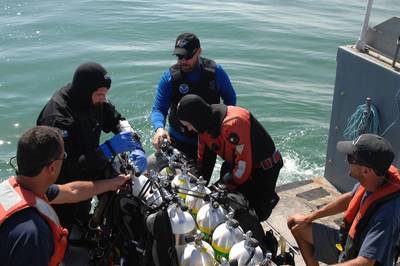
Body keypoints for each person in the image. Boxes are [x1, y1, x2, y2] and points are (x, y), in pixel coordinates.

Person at [36, 61, 147, 230]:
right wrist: (108, 149)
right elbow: (67, 169)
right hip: (61, 188)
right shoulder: (57, 118)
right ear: (85, 91)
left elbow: (118, 120)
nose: (104, 99)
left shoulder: (94, 100)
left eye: (105, 94)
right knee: (63, 229)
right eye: (100, 94)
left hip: (88, 168)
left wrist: (135, 144)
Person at [0, 126, 131, 266]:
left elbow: (72, 190)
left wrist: (113, 183)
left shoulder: (17, 189)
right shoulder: (33, 234)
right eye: (63, 157)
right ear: (52, 168)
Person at [287, 134, 400, 266]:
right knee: (298, 227)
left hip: (360, 259)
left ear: (365, 171)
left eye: (350, 158)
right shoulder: (374, 181)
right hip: (348, 245)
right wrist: (309, 217)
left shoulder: (387, 215)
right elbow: (349, 199)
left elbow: (366, 262)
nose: (347, 161)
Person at [176, 94, 283, 221]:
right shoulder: (204, 128)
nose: (189, 129)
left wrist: (220, 186)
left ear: (196, 119)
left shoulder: (234, 123)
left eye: (188, 125)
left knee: (256, 214)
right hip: (235, 165)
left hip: (263, 168)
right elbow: (203, 161)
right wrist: (197, 187)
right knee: (227, 204)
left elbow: (243, 168)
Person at [150, 32, 236, 169]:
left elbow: (231, 102)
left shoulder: (215, 73)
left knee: (198, 187)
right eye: (179, 56)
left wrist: (223, 131)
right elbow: (159, 108)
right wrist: (159, 128)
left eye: (188, 56)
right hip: (177, 139)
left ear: (199, 52)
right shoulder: (170, 77)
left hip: (208, 143)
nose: (183, 61)